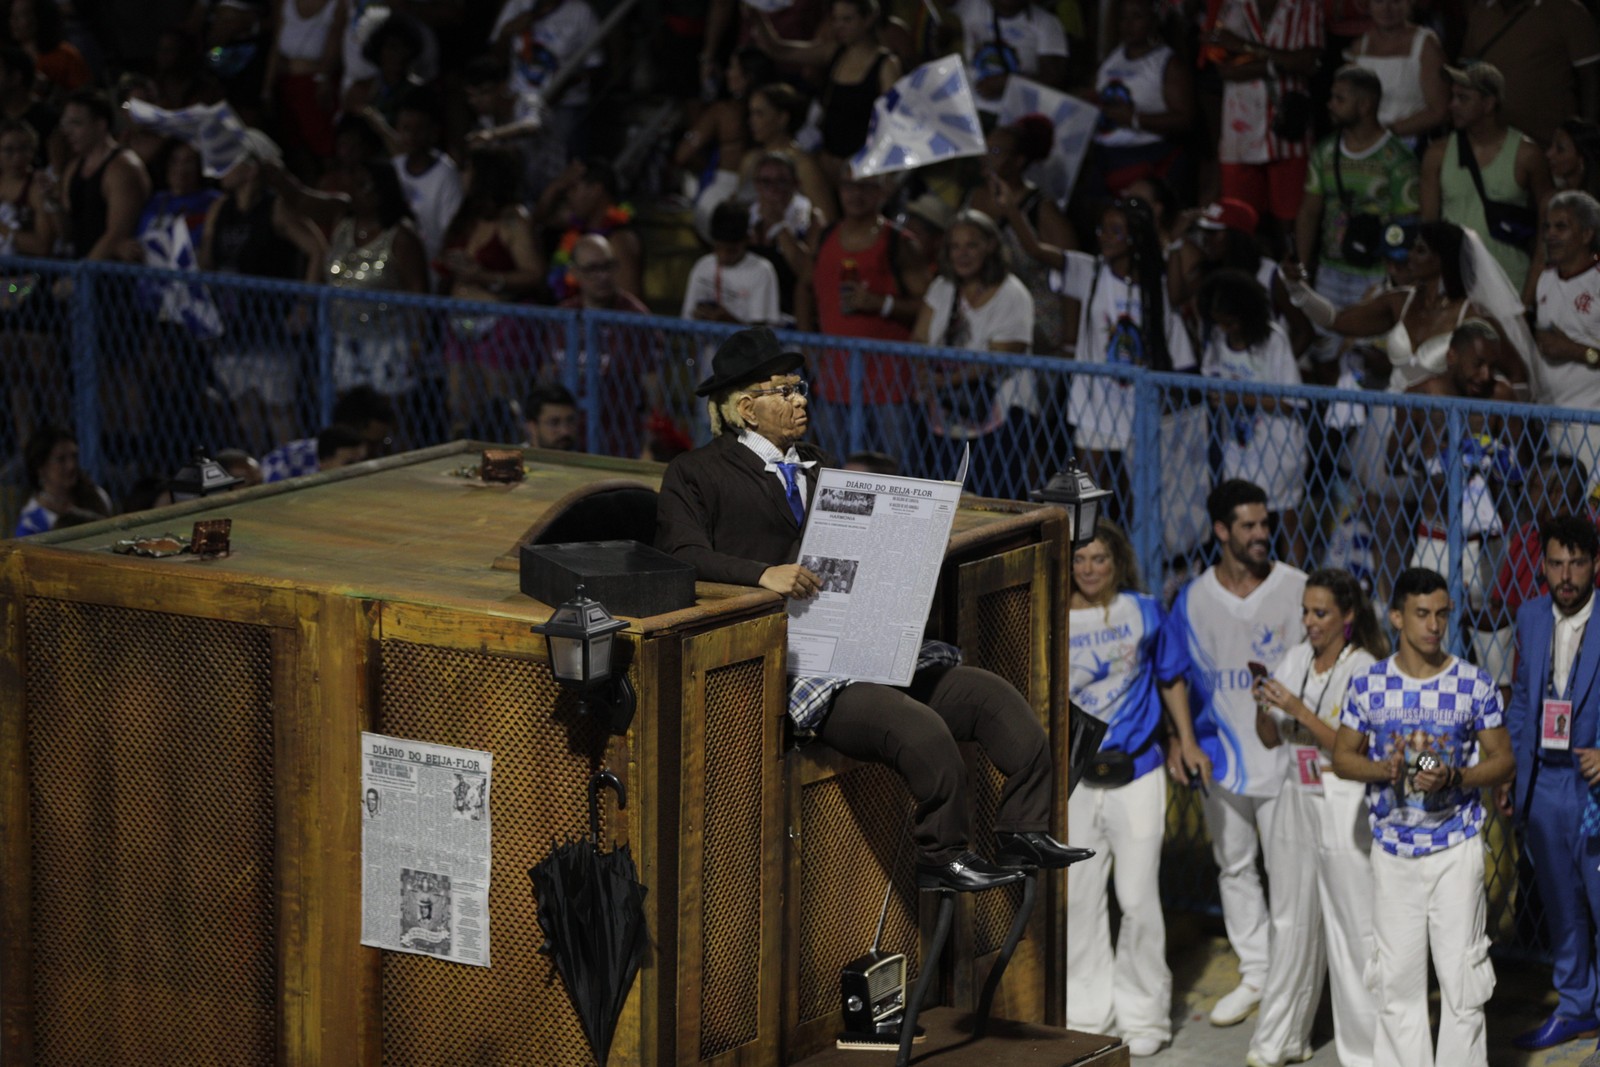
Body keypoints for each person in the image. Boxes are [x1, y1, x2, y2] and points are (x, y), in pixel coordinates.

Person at [655, 325, 1089, 891]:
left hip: (863, 641)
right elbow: (679, 554)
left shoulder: (817, 464)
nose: (800, 398)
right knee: (925, 734)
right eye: (783, 390)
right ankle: (942, 856)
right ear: (745, 408)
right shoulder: (696, 473)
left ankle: (1023, 830)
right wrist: (762, 575)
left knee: (999, 704)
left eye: (799, 386)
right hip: (795, 665)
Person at [1332, 566, 1514, 1067]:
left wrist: (1455, 777)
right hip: (1393, 852)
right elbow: (1341, 757)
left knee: (1463, 987)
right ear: (1396, 617)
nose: (1434, 625)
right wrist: (1381, 768)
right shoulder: (1369, 684)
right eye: (1421, 614)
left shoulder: (1473, 684)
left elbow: (1504, 760)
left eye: (1441, 614)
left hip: (1456, 849)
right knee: (1397, 987)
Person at [1161, 478, 1308, 1028]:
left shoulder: (1297, 589)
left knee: (1289, 872)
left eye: (1265, 523)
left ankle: (1291, 982)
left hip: (1287, 760)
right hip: (1222, 760)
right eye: (1247, 525)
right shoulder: (1195, 598)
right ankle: (1256, 974)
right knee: (1235, 867)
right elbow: (1173, 673)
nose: (1261, 534)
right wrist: (1183, 739)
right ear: (1221, 530)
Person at [1249, 568, 1388, 1067]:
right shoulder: (1296, 658)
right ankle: (1281, 1039)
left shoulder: (1364, 667)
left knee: (1352, 928)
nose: (1309, 622)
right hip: (1295, 793)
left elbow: (1361, 747)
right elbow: (1270, 738)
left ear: (1347, 617)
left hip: (1343, 799)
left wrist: (1299, 710)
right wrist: (1265, 706)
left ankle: (1368, 1052)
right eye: (1305, 611)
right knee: (1289, 919)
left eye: (1320, 613)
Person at [1004, 192, 1195, 511]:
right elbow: (1036, 249)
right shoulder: (1090, 271)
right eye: (1102, 229)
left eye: (1115, 231)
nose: (1105, 237)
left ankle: (1133, 556)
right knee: (1089, 492)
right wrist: (1011, 208)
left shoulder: (1155, 288)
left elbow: (1176, 349)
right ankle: (1086, 553)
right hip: (1096, 402)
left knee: (1140, 497)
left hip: (1140, 406)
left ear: (1134, 238)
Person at [1066, 521, 1173, 1058]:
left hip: (1139, 769)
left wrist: (1186, 743)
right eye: (1080, 559)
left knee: (1137, 898)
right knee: (1079, 898)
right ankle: (1087, 1014)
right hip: (1076, 777)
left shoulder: (1146, 610)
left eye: (1100, 559)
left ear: (1118, 562)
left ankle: (1144, 1014)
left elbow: (1171, 677)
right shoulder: (1053, 615)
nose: (1089, 569)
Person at [1496, 515, 1600, 1053]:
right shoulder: (1531, 615)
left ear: (1595, 565)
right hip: (1543, 780)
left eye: (1576, 563)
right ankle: (1578, 1007)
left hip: (1593, 788)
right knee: (1561, 903)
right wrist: (1511, 769)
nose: (1565, 575)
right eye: (1556, 563)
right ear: (1543, 563)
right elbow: (1520, 702)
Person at [1282, 218, 1533, 394]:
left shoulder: (1472, 315)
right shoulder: (1399, 301)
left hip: (1442, 427)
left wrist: (1504, 428)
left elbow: (1518, 375)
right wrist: (1298, 288)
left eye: (1420, 251)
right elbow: (1336, 320)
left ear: (1443, 259)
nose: (1410, 257)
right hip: (1391, 419)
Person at [198, 128, 326, 456]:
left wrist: (304, 304)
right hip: (233, 324)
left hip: (270, 323)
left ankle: (291, 473)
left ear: (250, 168)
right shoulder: (220, 209)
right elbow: (207, 258)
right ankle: (257, 470)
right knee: (246, 410)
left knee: (278, 409)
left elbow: (316, 248)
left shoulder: (275, 209)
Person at [798, 166, 928, 461]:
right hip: (834, 379)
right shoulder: (826, 235)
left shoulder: (900, 242)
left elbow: (929, 305)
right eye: (849, 186)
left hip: (890, 384)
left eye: (866, 187)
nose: (856, 194)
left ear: (882, 192)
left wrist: (881, 304)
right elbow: (804, 288)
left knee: (894, 474)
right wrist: (807, 344)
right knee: (833, 470)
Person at [911, 208, 1034, 498]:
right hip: (945, 411)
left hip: (1002, 415)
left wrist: (941, 381)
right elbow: (918, 338)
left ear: (990, 246)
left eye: (971, 245)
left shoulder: (1013, 294)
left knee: (992, 496)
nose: (962, 254)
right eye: (955, 246)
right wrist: (923, 374)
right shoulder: (942, 287)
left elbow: (999, 360)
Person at [1197, 270, 1308, 565]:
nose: (1227, 329)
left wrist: (1240, 397)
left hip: (1278, 447)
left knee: (1285, 518)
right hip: (1237, 445)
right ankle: (1244, 578)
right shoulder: (1219, 340)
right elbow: (1209, 379)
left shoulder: (1274, 340)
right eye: (1220, 322)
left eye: (1231, 322)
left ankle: (1297, 588)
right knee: (1238, 517)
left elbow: (1291, 401)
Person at [1294, 65, 1420, 320]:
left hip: (1375, 275)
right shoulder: (1324, 152)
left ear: (1365, 105)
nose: (1330, 104)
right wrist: (1303, 270)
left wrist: (1394, 279)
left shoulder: (1396, 159)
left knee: (1363, 354)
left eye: (1339, 98)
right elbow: (1309, 213)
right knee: (1325, 349)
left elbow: (1406, 223)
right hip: (1329, 273)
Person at [1420, 62, 1552, 304]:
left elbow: (1548, 230)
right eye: (1452, 97)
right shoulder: (1437, 154)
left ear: (1489, 103)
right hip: (1454, 288)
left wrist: (1529, 297)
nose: (1452, 105)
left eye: (1463, 98)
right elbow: (1428, 231)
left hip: (1510, 285)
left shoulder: (1527, 155)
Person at [437, 146, 543, 437]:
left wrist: (484, 277)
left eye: (468, 170)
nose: (462, 176)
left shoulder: (513, 219)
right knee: (460, 406)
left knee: (502, 409)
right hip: (459, 322)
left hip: (501, 326)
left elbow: (533, 274)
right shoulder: (466, 217)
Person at [1206, 0, 1323, 245]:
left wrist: (1246, 48)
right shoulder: (1232, 6)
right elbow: (1224, 68)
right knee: (1240, 229)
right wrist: (1278, 62)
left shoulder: (1306, 6)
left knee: (1291, 229)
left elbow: (1307, 63)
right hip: (1240, 134)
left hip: (1289, 133)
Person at [750, 0, 901, 182]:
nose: (839, 26)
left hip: (858, 170)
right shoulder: (835, 52)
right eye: (836, 19)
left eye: (847, 20)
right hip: (825, 163)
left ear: (868, 20)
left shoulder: (886, 65)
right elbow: (780, 50)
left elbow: (892, 125)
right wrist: (759, 17)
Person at [966, 116, 1074, 355]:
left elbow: (1072, 271)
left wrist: (1070, 340)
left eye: (995, 150)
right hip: (981, 315)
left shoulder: (1041, 209)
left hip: (1035, 322)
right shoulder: (973, 198)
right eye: (984, 148)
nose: (986, 157)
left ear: (1018, 161)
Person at [323, 159, 428, 398]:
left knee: (387, 416)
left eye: (362, 186)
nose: (354, 192)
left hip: (387, 342)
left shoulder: (401, 237)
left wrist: (415, 345)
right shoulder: (343, 227)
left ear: (380, 192)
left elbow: (419, 295)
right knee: (350, 412)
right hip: (345, 336)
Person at [1087, 0, 1195, 200]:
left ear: (1154, 22)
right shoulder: (1112, 57)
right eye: (1123, 18)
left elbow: (1185, 119)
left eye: (1137, 17)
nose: (1128, 25)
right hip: (1104, 155)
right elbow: (1094, 94)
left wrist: (1135, 119)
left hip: (1145, 156)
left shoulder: (1166, 63)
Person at [1458, 0, 1600, 150]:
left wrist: (1584, 139)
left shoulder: (1565, 9)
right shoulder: (1482, 11)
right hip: (1492, 147)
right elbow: (1467, 71)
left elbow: (1591, 77)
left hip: (1549, 148)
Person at [1533, 191, 1600, 478]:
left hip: (1593, 423)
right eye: (1548, 227)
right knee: (1559, 513)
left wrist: (1574, 350)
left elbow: (1563, 347)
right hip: (1550, 421)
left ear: (1586, 234)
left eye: (1561, 227)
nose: (1551, 235)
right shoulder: (1545, 279)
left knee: (1594, 506)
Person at [59, 88, 151, 263]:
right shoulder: (73, 167)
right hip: (81, 267)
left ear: (100, 125)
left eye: (76, 124)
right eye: (66, 124)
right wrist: (51, 204)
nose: (68, 132)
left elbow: (117, 234)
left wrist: (80, 278)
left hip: (112, 279)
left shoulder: (123, 168)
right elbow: (68, 229)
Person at [1344, 0, 1446, 146]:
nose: (1387, 8)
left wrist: (1386, 133)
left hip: (1410, 144)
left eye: (1396, 2)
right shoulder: (1359, 47)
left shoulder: (1427, 45)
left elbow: (1439, 110)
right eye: (1379, 2)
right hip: (1363, 145)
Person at [738, 81, 835, 223]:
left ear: (782, 118)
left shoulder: (803, 165)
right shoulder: (750, 159)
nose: (751, 121)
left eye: (759, 114)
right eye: (751, 113)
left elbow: (827, 218)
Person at [746, 151, 823, 324]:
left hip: (793, 315)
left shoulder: (812, 219)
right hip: (751, 312)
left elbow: (808, 275)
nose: (773, 188)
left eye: (781, 181)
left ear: (796, 184)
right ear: (756, 185)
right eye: (765, 182)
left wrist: (779, 226)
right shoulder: (745, 218)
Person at [952, 0, 1068, 115]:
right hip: (968, 107)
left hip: (1016, 116)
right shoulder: (972, 6)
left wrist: (1007, 83)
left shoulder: (1047, 23)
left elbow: (1053, 80)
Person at [681, 199, 781, 327]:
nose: (723, 256)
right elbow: (685, 322)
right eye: (717, 248)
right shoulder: (703, 266)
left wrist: (728, 321)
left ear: (746, 240)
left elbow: (761, 336)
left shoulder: (761, 270)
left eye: (731, 251)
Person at [15, 426, 112, 536]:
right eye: (61, 459)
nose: (71, 465)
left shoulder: (97, 495)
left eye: (74, 456)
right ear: (41, 468)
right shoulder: (31, 523)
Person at [1549, 120, 1600, 200]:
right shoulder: (1553, 197)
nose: (1549, 154)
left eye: (1560, 149)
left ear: (1581, 159)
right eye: (1551, 145)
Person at [523, 381, 580, 451]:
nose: (565, 431)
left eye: (571, 421)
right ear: (532, 427)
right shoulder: (514, 460)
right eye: (554, 423)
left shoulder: (580, 460)